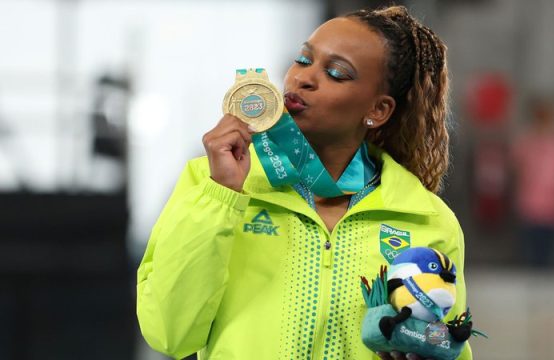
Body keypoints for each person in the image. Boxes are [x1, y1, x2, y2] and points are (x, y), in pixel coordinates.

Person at [137, 6, 471, 360]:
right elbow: (169, 334)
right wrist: (222, 196)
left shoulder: (426, 219)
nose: (303, 78)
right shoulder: (212, 184)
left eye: (336, 73)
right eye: (303, 59)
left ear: (378, 110)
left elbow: (447, 344)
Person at [511, 97, 554, 268]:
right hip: (530, 204)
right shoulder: (527, 140)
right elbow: (516, 166)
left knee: (550, 253)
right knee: (529, 252)